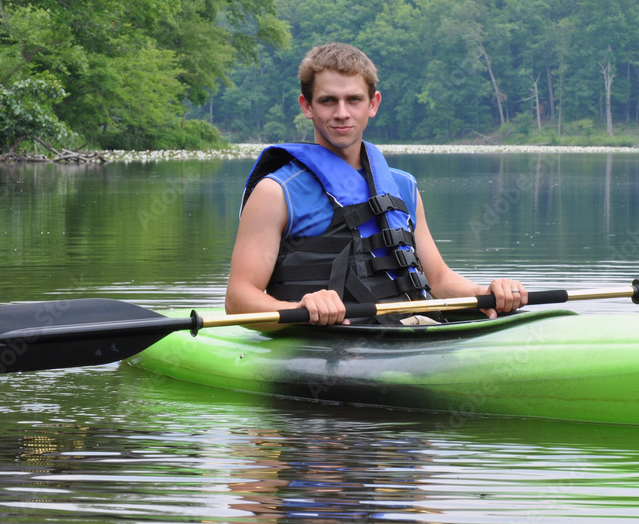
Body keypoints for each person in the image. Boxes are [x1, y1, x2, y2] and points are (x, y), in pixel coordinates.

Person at [225, 42, 527, 326]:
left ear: (373, 104)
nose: (342, 113)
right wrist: (300, 309)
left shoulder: (403, 186)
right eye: (328, 100)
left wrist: (488, 292)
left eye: (353, 99)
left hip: (415, 331)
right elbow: (238, 299)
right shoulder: (276, 192)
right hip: (329, 341)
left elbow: (438, 280)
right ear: (307, 106)